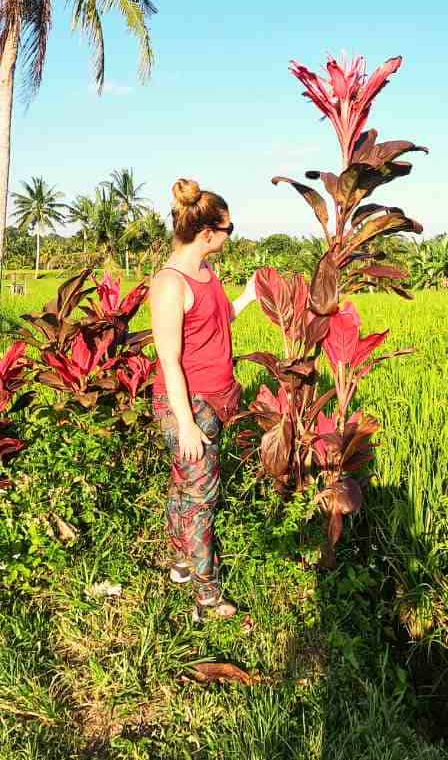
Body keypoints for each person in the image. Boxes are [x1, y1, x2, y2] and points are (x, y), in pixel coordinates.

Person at [150, 178, 258, 622]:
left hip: (213, 401)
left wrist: (249, 295)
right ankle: (207, 598)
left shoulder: (206, 274)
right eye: (229, 229)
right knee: (201, 501)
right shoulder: (170, 284)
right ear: (208, 233)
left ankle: (180, 564)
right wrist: (187, 423)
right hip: (188, 405)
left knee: (184, 487)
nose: (232, 236)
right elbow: (168, 359)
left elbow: (218, 320)